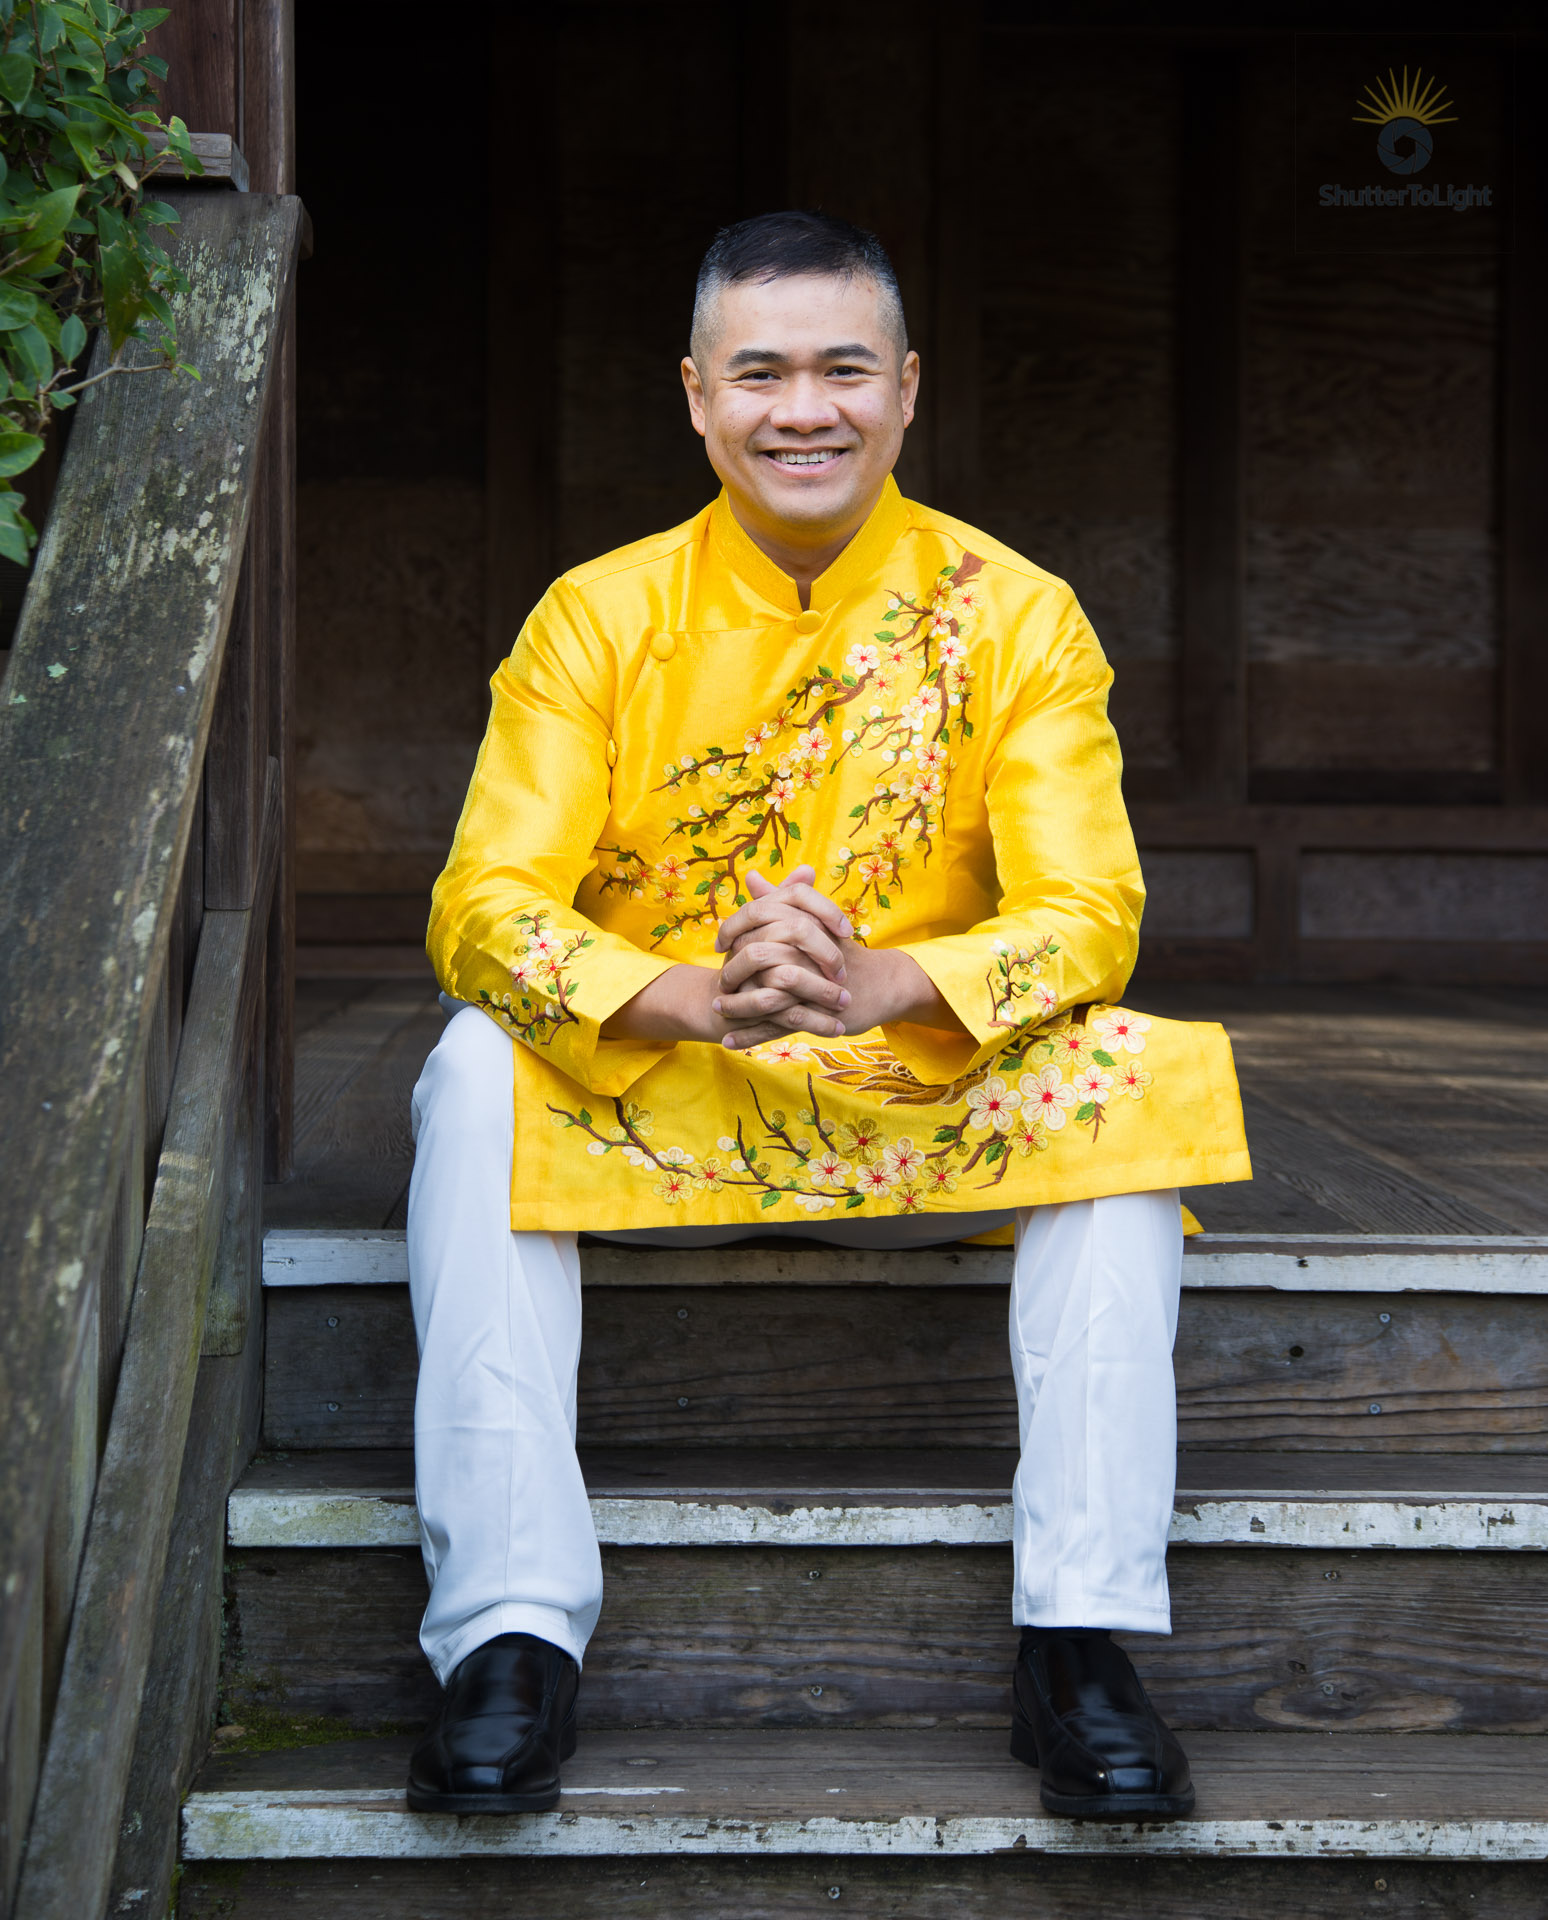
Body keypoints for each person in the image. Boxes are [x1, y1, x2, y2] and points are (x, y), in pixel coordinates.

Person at [404, 212, 1250, 1820]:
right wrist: (688, 997)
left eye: (845, 368)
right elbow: (482, 904)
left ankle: (1079, 1641)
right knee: (471, 1065)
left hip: (915, 1101)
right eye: (764, 372)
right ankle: (507, 1636)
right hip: (666, 1092)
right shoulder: (595, 614)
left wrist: (880, 983)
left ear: (909, 389)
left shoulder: (1018, 613)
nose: (807, 409)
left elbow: (1093, 915)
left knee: (1126, 1079)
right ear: (698, 398)